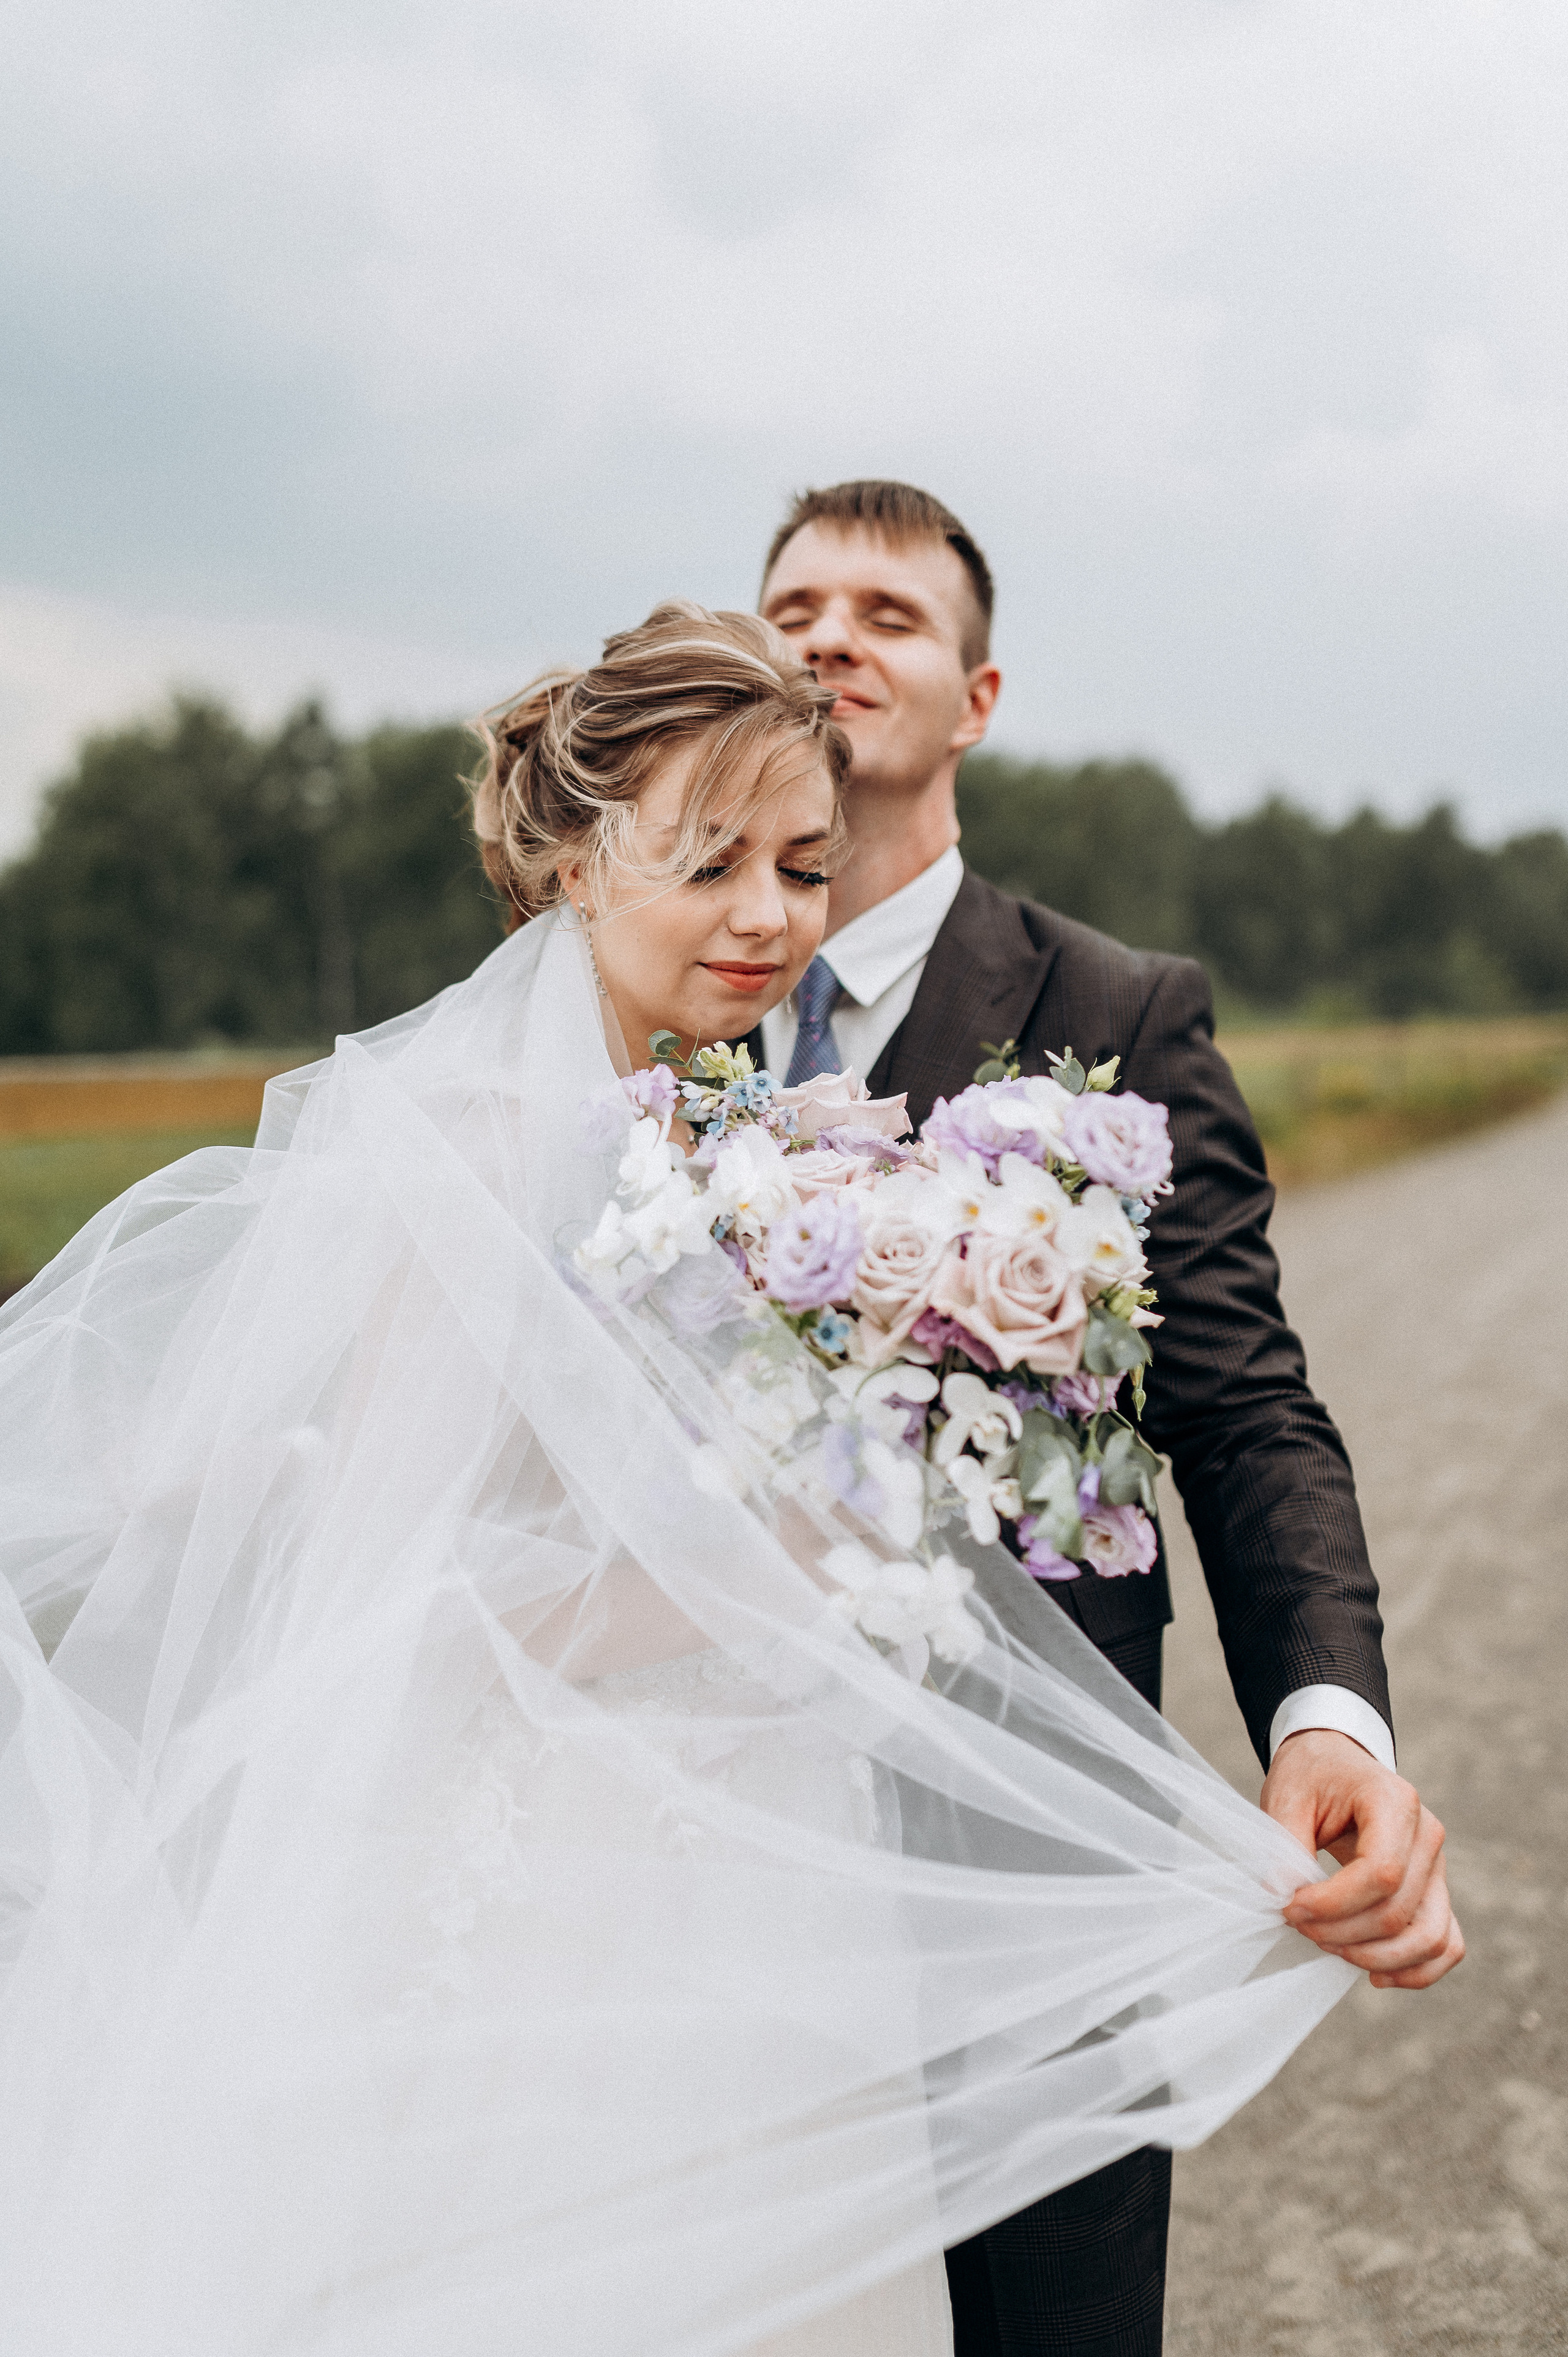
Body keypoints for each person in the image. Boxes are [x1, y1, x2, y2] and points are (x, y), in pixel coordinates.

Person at [0, 603, 1387, 2357]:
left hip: (777, 1885)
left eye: (804, 865)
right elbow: (406, 1591)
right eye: (708, 861)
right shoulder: (483, 1151)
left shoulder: (710, 1131)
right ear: (578, 864)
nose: (766, 915)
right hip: (558, 1915)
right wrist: (774, 1569)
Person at [753, 481, 1465, 2354]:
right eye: (797, 607)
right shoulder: (646, 1006)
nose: (832, 638)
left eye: (888, 615)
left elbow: (1242, 1413)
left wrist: (1326, 1714)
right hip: (715, 1858)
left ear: (978, 698)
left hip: (1021, 1870)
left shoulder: (1119, 1011)